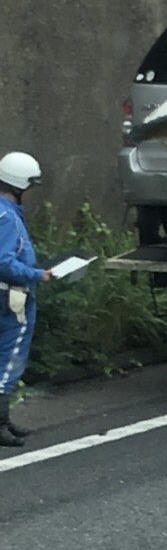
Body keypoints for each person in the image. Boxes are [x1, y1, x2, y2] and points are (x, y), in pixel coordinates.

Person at [0, 151, 51, 447]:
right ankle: (0, 421)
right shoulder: (7, 217)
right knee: (10, 357)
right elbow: (4, 261)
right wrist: (37, 275)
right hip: (11, 296)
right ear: (19, 185)